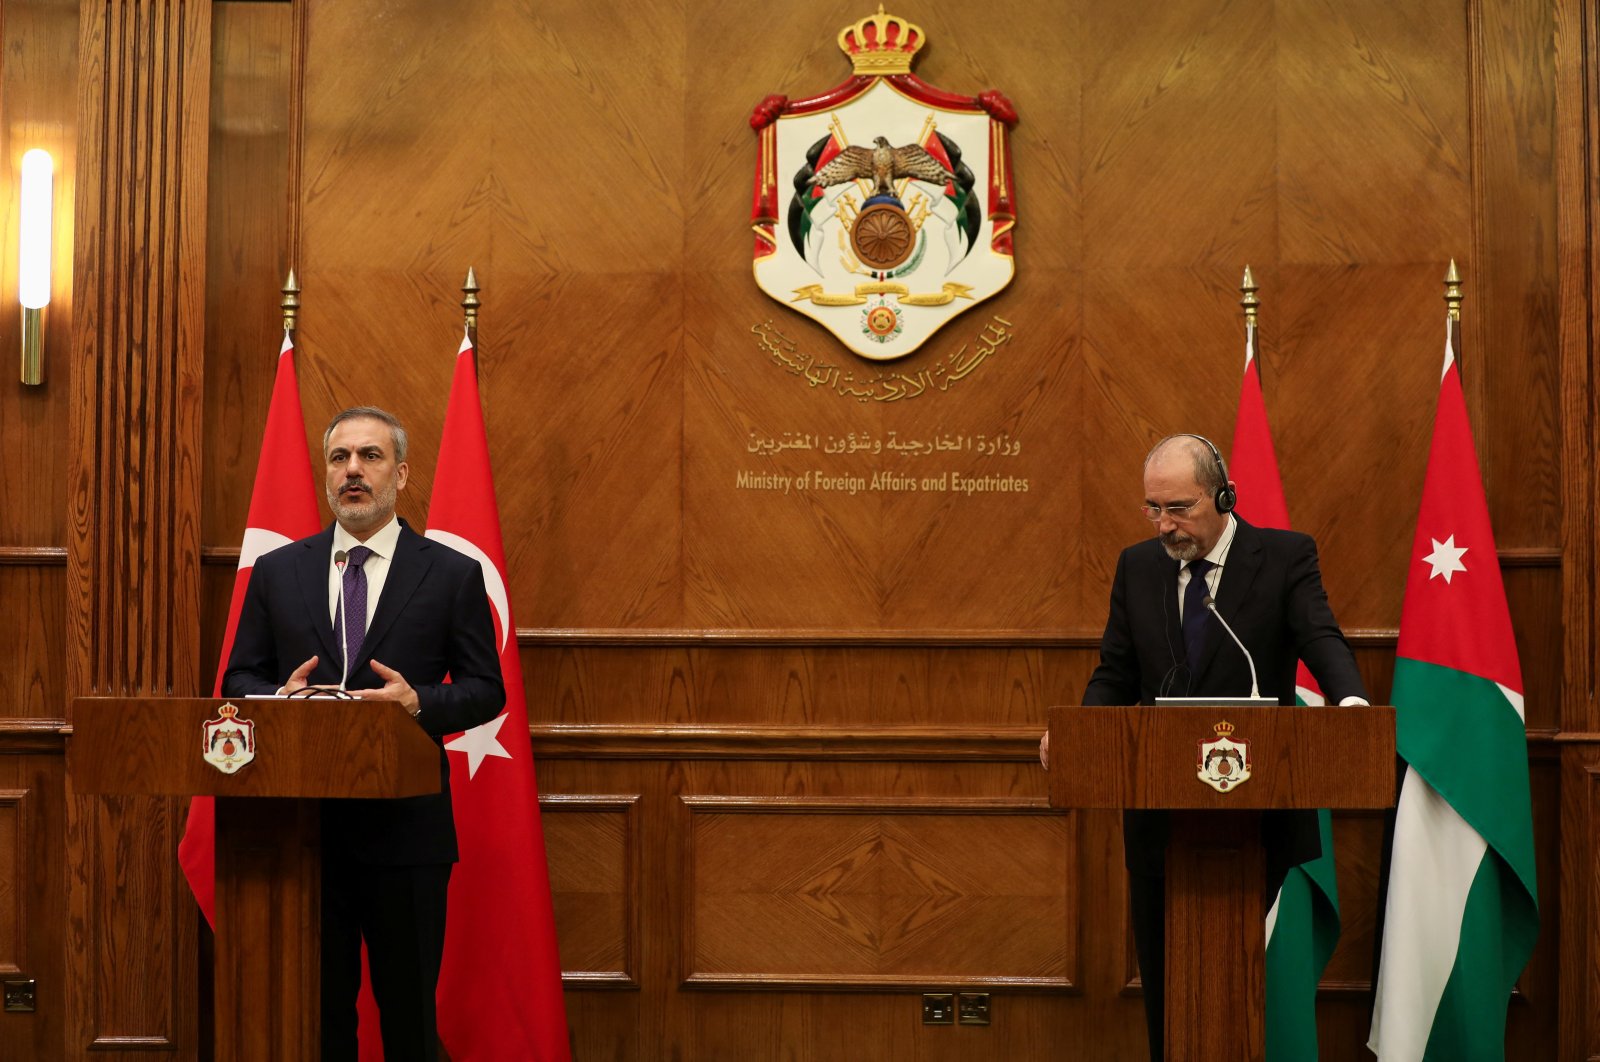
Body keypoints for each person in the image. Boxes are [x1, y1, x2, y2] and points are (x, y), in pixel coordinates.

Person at [1045, 433, 1367, 1061]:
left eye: (1180, 508)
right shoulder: (1138, 567)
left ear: (1223, 496)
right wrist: (1085, 733)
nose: (1166, 526)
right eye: (1153, 509)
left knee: (1239, 979)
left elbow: (1319, 635)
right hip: (1161, 818)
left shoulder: (1283, 558)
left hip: (1258, 813)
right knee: (1168, 989)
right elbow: (1115, 672)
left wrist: (1350, 703)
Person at [223, 406, 505, 1061]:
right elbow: (240, 677)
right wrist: (275, 699)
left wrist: (416, 703)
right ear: (326, 474)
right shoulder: (280, 572)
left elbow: (486, 689)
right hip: (303, 839)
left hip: (407, 835)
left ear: (401, 474)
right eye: (339, 457)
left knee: (408, 1021)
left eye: (370, 457)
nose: (353, 470)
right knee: (319, 1023)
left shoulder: (449, 574)